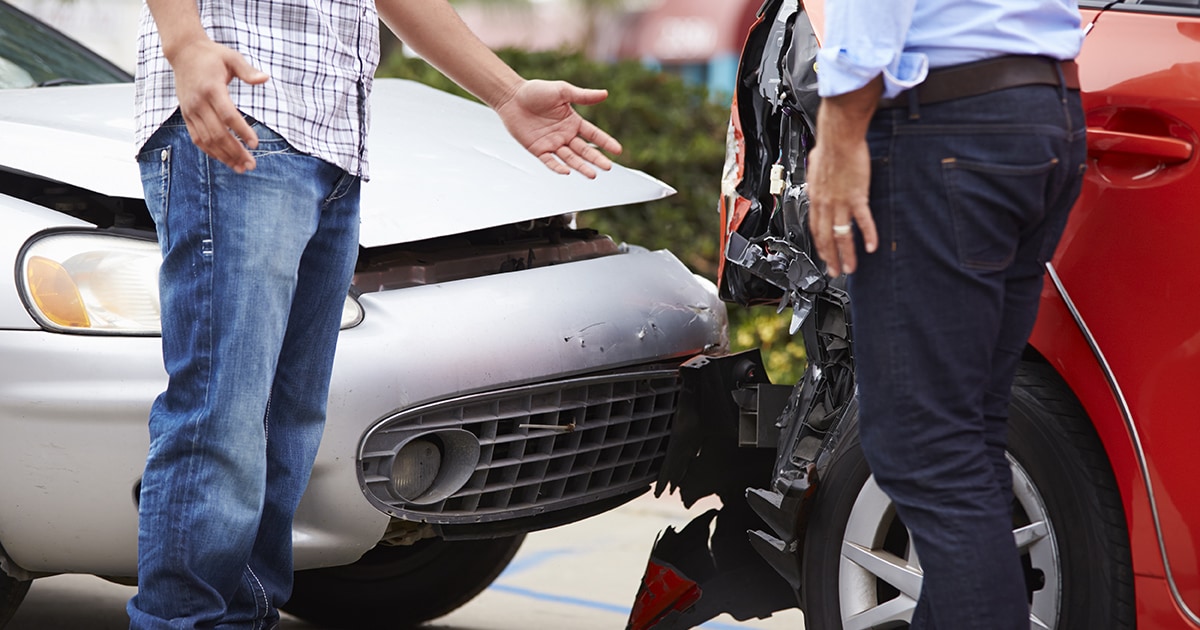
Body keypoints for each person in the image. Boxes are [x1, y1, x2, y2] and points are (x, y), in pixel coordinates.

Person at [127, 1, 622, 627]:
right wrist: (185, 43)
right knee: (219, 416)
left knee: (289, 425)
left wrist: (507, 94)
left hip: (332, 143)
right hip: (239, 116)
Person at [805, 0, 1086, 627]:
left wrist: (841, 127)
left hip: (949, 122)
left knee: (924, 446)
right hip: (1044, 111)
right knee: (967, 438)